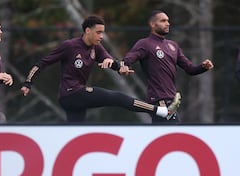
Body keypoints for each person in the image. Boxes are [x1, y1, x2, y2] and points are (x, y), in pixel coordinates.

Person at [20, 15, 177, 123]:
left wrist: (120, 68)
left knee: (75, 134)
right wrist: (28, 82)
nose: (101, 36)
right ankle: (160, 111)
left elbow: (112, 62)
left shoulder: (97, 48)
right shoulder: (69, 46)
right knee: (116, 97)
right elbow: (42, 63)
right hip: (70, 93)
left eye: (103, 32)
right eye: (98, 32)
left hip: (76, 99)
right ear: (87, 30)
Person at [120, 10, 214, 124]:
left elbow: (190, 69)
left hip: (172, 101)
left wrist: (203, 67)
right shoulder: (145, 44)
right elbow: (128, 59)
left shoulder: (173, 45)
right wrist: (123, 66)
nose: (167, 23)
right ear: (153, 24)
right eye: (163, 21)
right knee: (173, 135)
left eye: (168, 21)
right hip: (159, 101)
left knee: (166, 137)